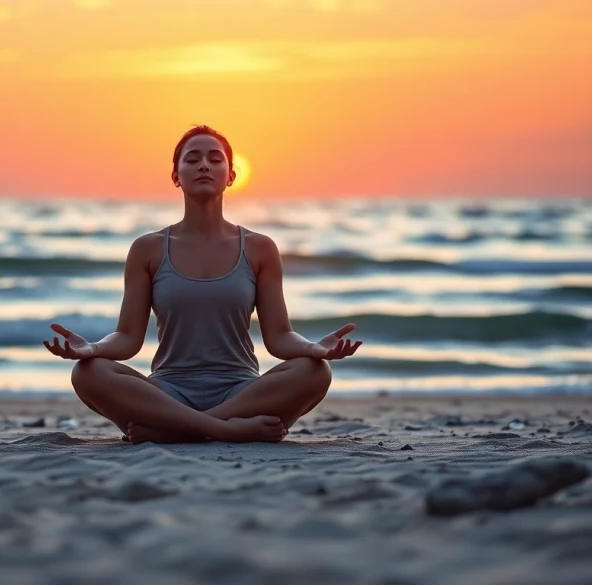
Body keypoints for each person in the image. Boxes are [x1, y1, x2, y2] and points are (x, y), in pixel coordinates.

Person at [44, 125, 361, 444]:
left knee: (316, 371)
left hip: (241, 393)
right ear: (176, 175)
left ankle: (178, 429)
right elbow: (127, 338)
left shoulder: (259, 247)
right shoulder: (148, 249)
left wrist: (313, 348)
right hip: (168, 392)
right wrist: (91, 349)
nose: (204, 165)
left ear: (231, 176)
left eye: (215, 159)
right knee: (88, 373)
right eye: (192, 159)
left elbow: (278, 337)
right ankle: (224, 429)